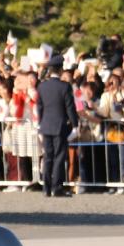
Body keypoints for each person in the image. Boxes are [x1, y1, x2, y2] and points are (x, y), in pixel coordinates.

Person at [36, 56, 79, 198]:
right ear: (60, 69)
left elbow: (40, 108)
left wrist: (40, 123)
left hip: (45, 125)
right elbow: (70, 108)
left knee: (48, 157)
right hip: (60, 125)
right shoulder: (65, 86)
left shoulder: (42, 86)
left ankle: (46, 188)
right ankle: (57, 187)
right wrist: (75, 125)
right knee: (59, 156)